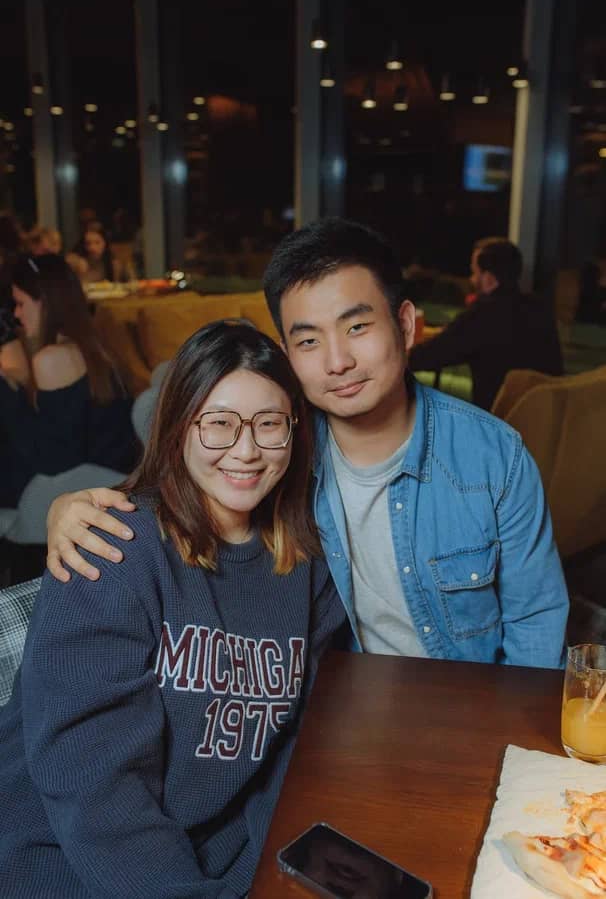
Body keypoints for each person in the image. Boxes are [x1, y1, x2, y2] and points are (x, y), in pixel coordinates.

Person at [46, 218, 569, 668]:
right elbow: (184, 487)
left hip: (469, 705)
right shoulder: (277, 449)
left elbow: (536, 622)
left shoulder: (493, 456)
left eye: (357, 327)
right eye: (309, 340)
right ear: (287, 354)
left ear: (406, 325)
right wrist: (68, 508)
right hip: (336, 706)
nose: (337, 362)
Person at [0, 321, 346, 897]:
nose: (246, 450)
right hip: (58, 851)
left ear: (294, 432)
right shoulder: (113, 546)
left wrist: (272, 863)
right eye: (218, 423)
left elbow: (292, 746)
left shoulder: (306, 563)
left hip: (202, 852)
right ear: (179, 427)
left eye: (269, 424)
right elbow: (90, 779)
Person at [0, 254, 137, 507]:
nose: (16, 313)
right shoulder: (95, 347)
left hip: (81, 492)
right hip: (112, 480)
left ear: (45, 302)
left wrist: (7, 391)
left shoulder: (51, 358)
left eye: (20, 303)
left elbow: (53, 461)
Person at [408, 237, 564, 410]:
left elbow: (424, 356)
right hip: (543, 416)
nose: (472, 280)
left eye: (474, 273)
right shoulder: (540, 309)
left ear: (489, 279)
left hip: (497, 420)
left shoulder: (482, 314)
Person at [67, 222, 134, 284]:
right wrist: (75, 262)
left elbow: (130, 281)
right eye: (88, 243)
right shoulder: (78, 259)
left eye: (97, 243)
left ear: (105, 243)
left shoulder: (112, 262)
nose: (92, 248)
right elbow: (68, 260)